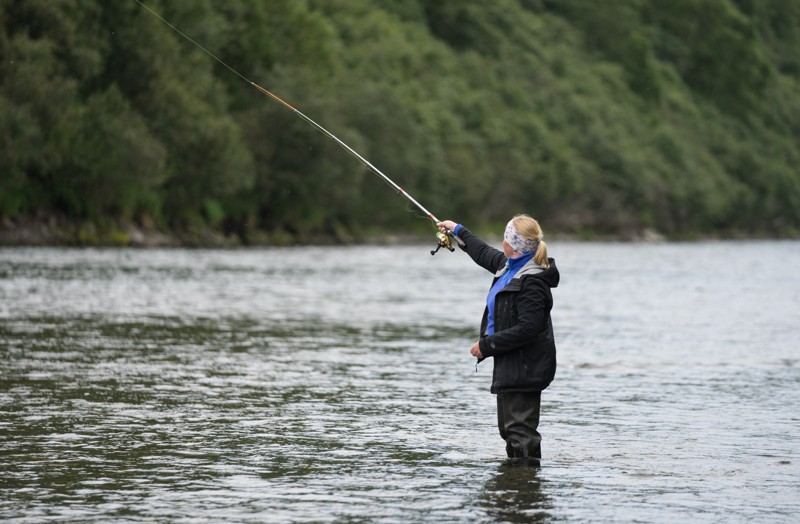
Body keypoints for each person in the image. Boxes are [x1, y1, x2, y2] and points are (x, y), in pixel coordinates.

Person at [437, 215, 560, 465]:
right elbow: (483, 253)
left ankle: (526, 489)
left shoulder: (532, 281)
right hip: (510, 360)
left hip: (526, 365)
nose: (501, 241)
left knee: (520, 433)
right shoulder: (510, 266)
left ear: (511, 245)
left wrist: (486, 346)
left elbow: (528, 329)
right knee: (508, 431)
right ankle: (515, 488)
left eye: (505, 237)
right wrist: (458, 229)